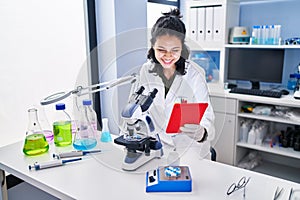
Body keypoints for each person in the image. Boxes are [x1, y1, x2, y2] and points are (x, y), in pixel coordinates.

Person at [137, 8, 215, 159]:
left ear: (182, 47)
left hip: (191, 151)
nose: (167, 56)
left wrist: (202, 132)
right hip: (159, 150)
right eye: (161, 49)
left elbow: (207, 114)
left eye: (174, 50)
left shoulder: (195, 74)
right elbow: (136, 106)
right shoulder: (146, 71)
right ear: (153, 46)